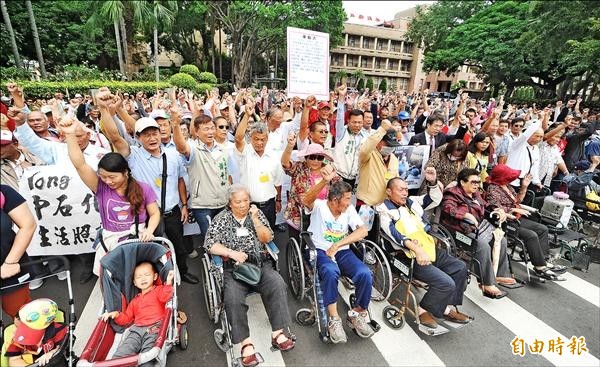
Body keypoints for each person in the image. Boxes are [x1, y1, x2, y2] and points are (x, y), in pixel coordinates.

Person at [96, 90, 198, 284]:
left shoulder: (173, 155)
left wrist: (184, 205)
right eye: (146, 135)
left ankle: (182, 272)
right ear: (138, 137)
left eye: (154, 133)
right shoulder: (133, 155)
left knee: (179, 246)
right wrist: (104, 109)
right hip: (147, 215)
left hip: (172, 212)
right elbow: (115, 136)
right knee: (151, 250)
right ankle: (157, 281)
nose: (151, 138)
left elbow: (179, 181)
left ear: (161, 133)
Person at [204, 184, 294, 367]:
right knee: (232, 298)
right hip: (234, 267)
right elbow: (210, 244)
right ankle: (246, 344)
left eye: (246, 200)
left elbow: (267, 238)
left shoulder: (257, 214)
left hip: (259, 263)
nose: (243, 205)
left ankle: (278, 333)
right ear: (230, 203)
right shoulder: (222, 219)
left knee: (277, 283)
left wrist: (255, 219)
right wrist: (231, 253)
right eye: (238, 202)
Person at [60, 117, 161, 278]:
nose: (108, 181)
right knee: (110, 281)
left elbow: (155, 213)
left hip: (137, 240)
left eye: (112, 177)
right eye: (103, 176)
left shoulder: (143, 188)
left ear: (125, 173)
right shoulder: (100, 187)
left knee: (138, 279)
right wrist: (70, 135)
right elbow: (80, 164)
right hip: (110, 242)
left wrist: (149, 231)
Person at [376, 170, 473, 329]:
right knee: (446, 283)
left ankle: (443, 307)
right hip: (406, 255)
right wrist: (416, 250)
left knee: (460, 268)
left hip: (428, 247)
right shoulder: (383, 210)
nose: (405, 193)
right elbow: (393, 234)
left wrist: (433, 182)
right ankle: (424, 310)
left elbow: (434, 199)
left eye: (406, 189)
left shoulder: (411, 202)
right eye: (400, 189)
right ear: (389, 191)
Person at [302, 173, 375, 343]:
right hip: (320, 250)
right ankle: (334, 319)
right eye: (347, 199)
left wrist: (339, 244)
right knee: (330, 271)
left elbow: (362, 231)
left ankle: (356, 313)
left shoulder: (348, 210)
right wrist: (324, 181)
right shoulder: (319, 206)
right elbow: (306, 199)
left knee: (365, 273)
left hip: (342, 251)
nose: (350, 202)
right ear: (335, 199)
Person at [485, 165, 567, 280]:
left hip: (516, 218)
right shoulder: (492, 189)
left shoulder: (507, 186)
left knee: (542, 229)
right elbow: (495, 208)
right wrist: (513, 210)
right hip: (504, 221)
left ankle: (543, 260)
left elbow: (517, 201)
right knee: (531, 235)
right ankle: (540, 267)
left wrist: (524, 187)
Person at [441, 168, 512, 299]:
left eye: (478, 182)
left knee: (501, 239)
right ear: (462, 182)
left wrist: (497, 209)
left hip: (477, 228)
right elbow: (448, 208)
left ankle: (500, 274)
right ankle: (487, 284)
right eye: (473, 182)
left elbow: (485, 205)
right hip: (458, 230)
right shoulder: (452, 193)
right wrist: (464, 215)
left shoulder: (476, 194)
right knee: (482, 245)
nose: (477, 185)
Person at [101, 263, 174, 366]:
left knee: (148, 354)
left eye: (146, 275)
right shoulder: (135, 301)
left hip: (155, 328)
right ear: (135, 283)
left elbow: (166, 297)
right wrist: (117, 314)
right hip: (137, 329)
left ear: (155, 276)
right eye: (139, 277)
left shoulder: (159, 290)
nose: (143, 279)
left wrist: (169, 283)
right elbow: (126, 319)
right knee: (123, 350)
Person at [235, 101, 284, 229]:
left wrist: (278, 200)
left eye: (262, 139)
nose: (259, 143)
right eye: (256, 139)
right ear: (251, 138)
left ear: (267, 139)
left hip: (269, 206)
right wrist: (247, 114)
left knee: (268, 237)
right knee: (249, 239)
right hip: (249, 206)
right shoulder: (245, 152)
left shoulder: (273, 156)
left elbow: (278, 182)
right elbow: (238, 138)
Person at [281, 139, 340, 237]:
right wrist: (290, 146)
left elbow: (340, 189)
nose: (316, 161)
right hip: (299, 215)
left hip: (321, 215)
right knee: (299, 243)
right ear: (306, 158)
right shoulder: (299, 168)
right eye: (312, 157)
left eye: (319, 158)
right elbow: (285, 164)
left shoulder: (328, 171)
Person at [0, 184, 36, 318]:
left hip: (9, 272)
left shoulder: (3, 192)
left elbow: (28, 225)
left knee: (22, 314)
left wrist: (10, 263)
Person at [3, 298, 67, 367]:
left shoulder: (57, 330)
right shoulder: (19, 337)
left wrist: (52, 353)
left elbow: (63, 345)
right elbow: (14, 360)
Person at [356, 119, 400, 207]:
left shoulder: (394, 159)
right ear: (379, 142)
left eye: (392, 146)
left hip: (385, 206)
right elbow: (365, 148)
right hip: (366, 204)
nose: (390, 148)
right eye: (388, 145)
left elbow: (396, 181)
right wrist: (382, 130)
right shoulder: (369, 154)